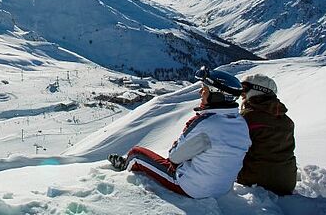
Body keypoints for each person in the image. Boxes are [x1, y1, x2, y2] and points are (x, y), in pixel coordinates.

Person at [108, 67, 251, 199]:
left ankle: (124, 170)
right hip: (222, 188)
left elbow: (174, 157)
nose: (200, 93)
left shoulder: (206, 123)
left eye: (205, 90)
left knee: (136, 153)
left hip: (193, 188)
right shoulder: (240, 123)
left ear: (217, 96)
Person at [236, 74, 297, 195]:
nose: (241, 93)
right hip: (287, 182)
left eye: (245, 88)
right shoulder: (286, 120)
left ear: (258, 91)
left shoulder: (246, 118)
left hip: (255, 180)